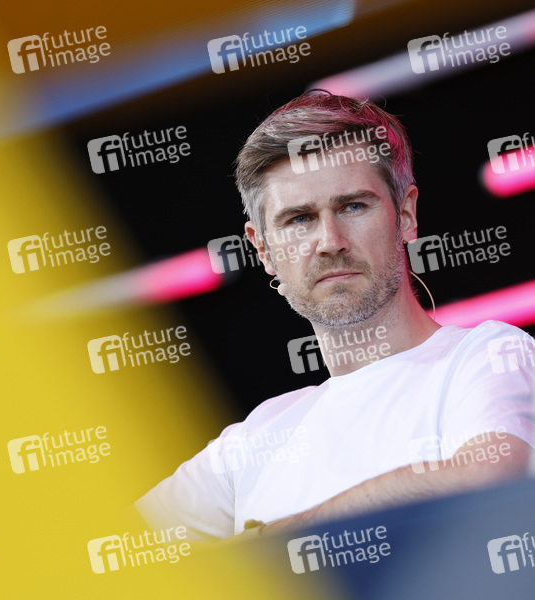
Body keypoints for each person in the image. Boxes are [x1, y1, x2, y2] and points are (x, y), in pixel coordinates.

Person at [135, 90, 535, 540]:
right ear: (263, 249)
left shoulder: (487, 355)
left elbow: (485, 479)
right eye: (299, 219)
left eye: (353, 206)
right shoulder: (249, 443)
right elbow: (97, 555)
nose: (330, 241)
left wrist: (272, 540)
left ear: (405, 214)